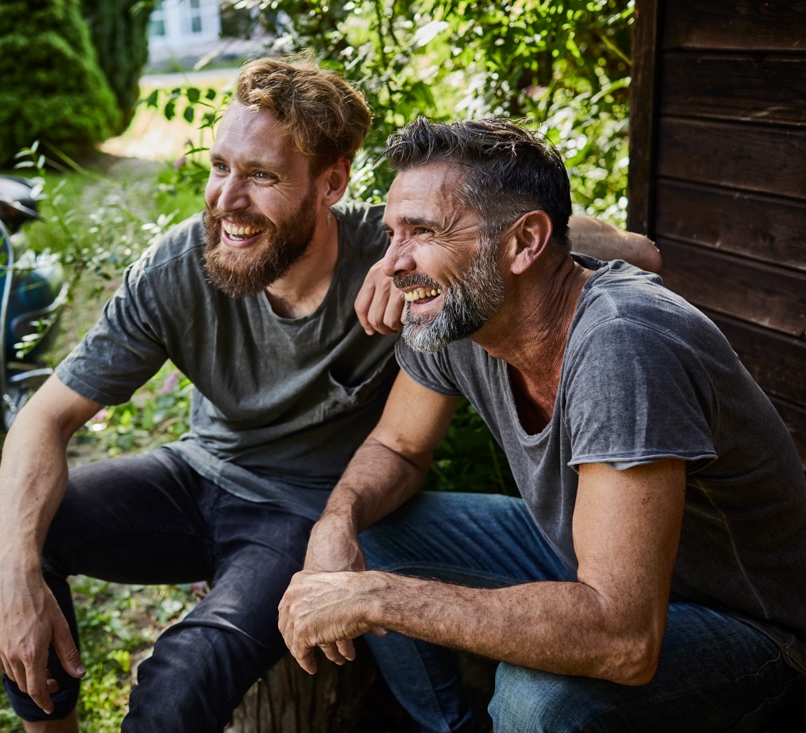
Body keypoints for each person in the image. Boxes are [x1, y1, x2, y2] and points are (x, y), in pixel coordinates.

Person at [0, 57, 661, 733]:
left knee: (183, 674)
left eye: (262, 176)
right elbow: (45, 416)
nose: (226, 200)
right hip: (197, 475)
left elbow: (641, 253)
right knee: (8, 535)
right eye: (221, 168)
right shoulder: (178, 266)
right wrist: (14, 572)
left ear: (331, 182)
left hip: (299, 513)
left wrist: (445, 259)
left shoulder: (401, 252)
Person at [278, 116, 806, 732]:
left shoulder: (623, 346)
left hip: (751, 624)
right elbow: (397, 446)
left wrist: (376, 597)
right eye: (392, 234)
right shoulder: (463, 311)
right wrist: (335, 525)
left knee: (539, 697)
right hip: (588, 561)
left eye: (421, 231)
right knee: (374, 535)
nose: (392, 266)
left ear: (525, 243)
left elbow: (624, 638)